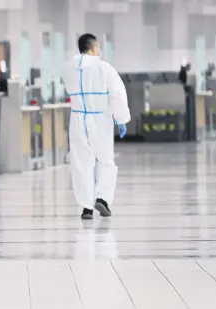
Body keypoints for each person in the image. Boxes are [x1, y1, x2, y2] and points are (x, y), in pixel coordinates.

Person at [61, 33, 130, 220]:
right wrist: (121, 118)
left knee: (81, 163)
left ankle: (86, 208)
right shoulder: (104, 68)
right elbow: (117, 93)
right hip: (99, 118)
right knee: (106, 161)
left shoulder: (68, 68)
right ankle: (103, 198)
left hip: (77, 118)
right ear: (94, 47)